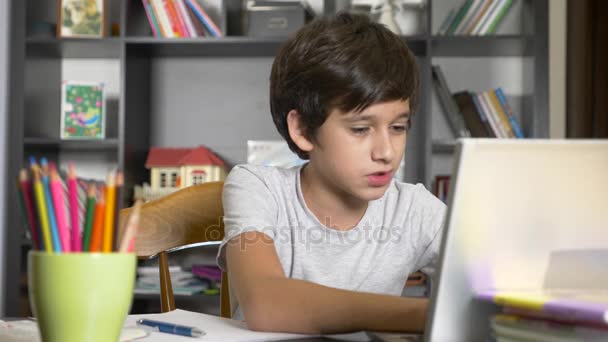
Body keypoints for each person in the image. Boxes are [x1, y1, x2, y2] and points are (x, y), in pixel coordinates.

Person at [216, 12, 446, 334]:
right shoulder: (257, 188)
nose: (387, 152)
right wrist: (431, 315)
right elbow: (266, 304)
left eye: (398, 127)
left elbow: (503, 283)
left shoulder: (416, 209)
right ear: (303, 130)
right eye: (361, 128)